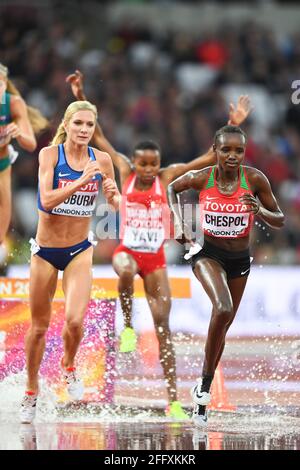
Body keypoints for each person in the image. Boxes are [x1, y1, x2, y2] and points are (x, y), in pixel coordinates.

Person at [66, 70, 252, 419]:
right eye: (143, 164)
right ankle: (128, 328)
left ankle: (174, 401)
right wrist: (81, 94)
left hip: (155, 259)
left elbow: (212, 157)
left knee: (164, 328)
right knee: (122, 268)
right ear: (134, 162)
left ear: (159, 162)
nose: (149, 170)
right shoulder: (123, 169)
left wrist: (231, 123)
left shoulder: (169, 175)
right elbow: (99, 135)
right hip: (129, 253)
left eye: (153, 163)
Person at [167, 125, 284, 427]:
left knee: (223, 326)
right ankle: (205, 391)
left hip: (239, 260)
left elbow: (280, 219)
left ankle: (202, 391)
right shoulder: (203, 177)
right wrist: (179, 223)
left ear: (244, 153)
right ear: (215, 150)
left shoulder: (255, 179)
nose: (232, 156)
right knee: (223, 308)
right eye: (226, 150)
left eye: (239, 151)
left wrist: (260, 210)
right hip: (208, 254)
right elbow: (172, 187)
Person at [20, 100, 120, 424]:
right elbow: (46, 201)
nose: (84, 130)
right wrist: (82, 180)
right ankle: (31, 391)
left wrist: (116, 197)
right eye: (78, 124)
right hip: (46, 252)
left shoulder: (101, 159)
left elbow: (114, 198)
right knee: (38, 328)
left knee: (75, 321)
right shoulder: (50, 155)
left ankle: (68, 364)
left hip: (79, 249)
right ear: (67, 124)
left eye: (89, 125)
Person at [0, 63, 48, 264]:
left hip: (1, 166)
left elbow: (30, 143)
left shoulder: (13, 104)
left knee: (2, 219)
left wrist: (17, 133)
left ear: (4, 84)